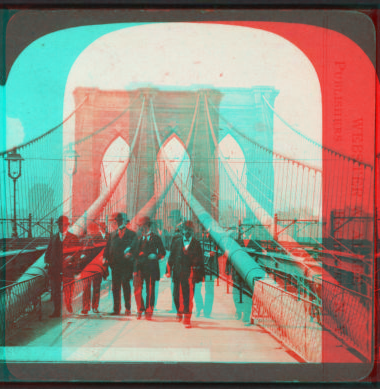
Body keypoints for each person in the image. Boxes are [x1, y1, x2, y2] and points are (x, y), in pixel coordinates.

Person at [166, 220, 204, 328]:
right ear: (182, 230)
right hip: (177, 273)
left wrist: (200, 276)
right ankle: (179, 311)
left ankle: (187, 319)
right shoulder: (176, 241)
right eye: (186, 229)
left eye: (190, 230)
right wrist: (167, 271)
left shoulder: (196, 244)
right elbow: (171, 257)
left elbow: (200, 260)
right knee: (176, 295)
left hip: (189, 274)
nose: (188, 232)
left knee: (188, 296)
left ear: (193, 231)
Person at [44, 215, 80, 317]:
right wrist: (47, 261)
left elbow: (77, 253)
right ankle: (56, 311)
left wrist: (72, 259)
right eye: (60, 225)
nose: (62, 227)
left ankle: (68, 306)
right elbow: (48, 252)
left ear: (67, 226)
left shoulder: (73, 237)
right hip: (54, 269)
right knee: (55, 291)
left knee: (68, 290)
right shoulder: (53, 237)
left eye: (64, 225)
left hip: (68, 269)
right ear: (58, 225)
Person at [132, 216, 166, 320]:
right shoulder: (138, 238)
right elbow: (134, 252)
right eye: (139, 226)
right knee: (137, 289)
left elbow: (162, 252)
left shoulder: (155, 238)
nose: (140, 228)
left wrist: (156, 256)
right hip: (139, 268)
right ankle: (140, 308)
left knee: (150, 289)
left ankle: (149, 310)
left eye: (142, 226)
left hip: (151, 267)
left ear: (147, 225)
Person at [103, 212, 136, 315]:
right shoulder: (112, 234)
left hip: (126, 265)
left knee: (126, 286)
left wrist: (130, 254)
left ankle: (127, 308)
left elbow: (135, 249)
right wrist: (105, 258)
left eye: (121, 221)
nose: (118, 223)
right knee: (115, 288)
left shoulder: (132, 234)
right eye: (117, 221)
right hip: (115, 265)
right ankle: (116, 309)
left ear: (125, 222)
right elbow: (107, 248)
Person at [194, 231, 219, 318]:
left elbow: (221, 252)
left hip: (210, 270)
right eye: (204, 232)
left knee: (209, 292)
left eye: (208, 233)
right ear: (202, 233)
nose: (207, 235)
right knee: (196, 289)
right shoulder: (198, 242)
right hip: (199, 269)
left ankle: (207, 312)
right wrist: (208, 254)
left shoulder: (215, 242)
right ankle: (199, 306)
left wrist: (215, 253)